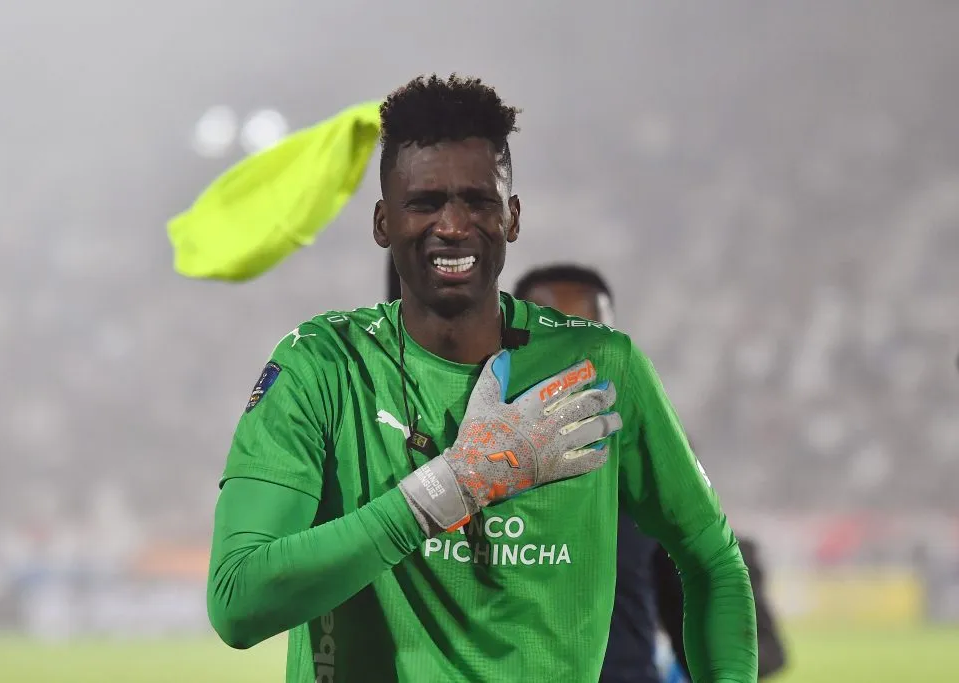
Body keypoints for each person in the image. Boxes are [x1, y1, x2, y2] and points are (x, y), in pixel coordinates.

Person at [207, 74, 758, 683]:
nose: (452, 224)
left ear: (512, 217)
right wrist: (451, 486)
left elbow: (714, 562)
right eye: (424, 203)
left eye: (478, 201)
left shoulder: (602, 366)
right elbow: (238, 603)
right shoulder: (322, 367)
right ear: (382, 222)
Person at [514, 263, 787, 683]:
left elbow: (699, 582)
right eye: (547, 335)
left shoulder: (650, 450)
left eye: (587, 336)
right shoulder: (470, 449)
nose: (566, 358)